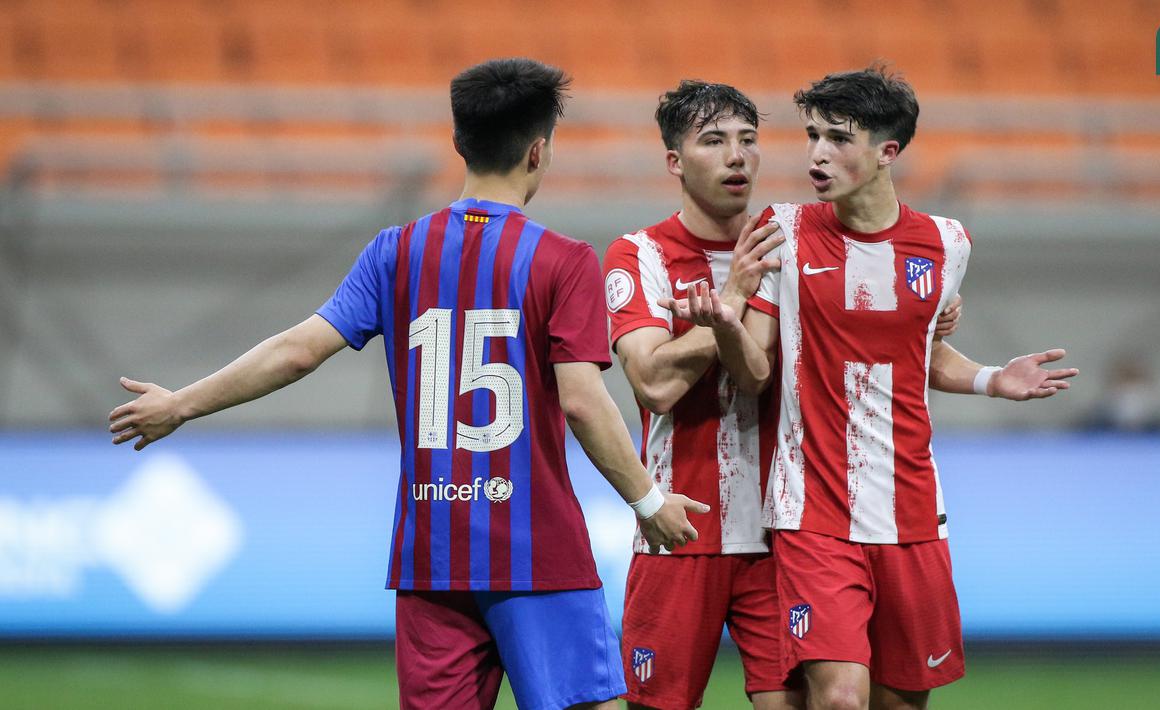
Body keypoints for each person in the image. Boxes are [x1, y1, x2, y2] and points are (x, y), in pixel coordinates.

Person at [108, 58, 707, 710]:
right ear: (538, 152)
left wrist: (180, 405)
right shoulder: (561, 261)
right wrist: (649, 503)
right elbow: (584, 402)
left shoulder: (395, 251)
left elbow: (296, 352)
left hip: (432, 557)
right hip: (536, 555)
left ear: (458, 142)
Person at [661, 65, 1078, 710]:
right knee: (839, 698)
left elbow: (916, 356)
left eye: (838, 139)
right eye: (812, 135)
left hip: (913, 509)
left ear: (888, 152)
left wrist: (994, 378)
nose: (818, 154)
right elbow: (756, 372)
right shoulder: (785, 230)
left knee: (900, 700)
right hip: (813, 511)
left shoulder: (946, 243)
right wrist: (724, 326)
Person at [605, 81, 959, 710]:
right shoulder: (641, 254)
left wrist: (936, 323)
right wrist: (733, 298)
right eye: (714, 142)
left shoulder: (791, 245)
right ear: (675, 162)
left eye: (748, 140)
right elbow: (654, 385)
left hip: (784, 532)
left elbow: (870, 334)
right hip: (683, 527)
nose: (736, 157)